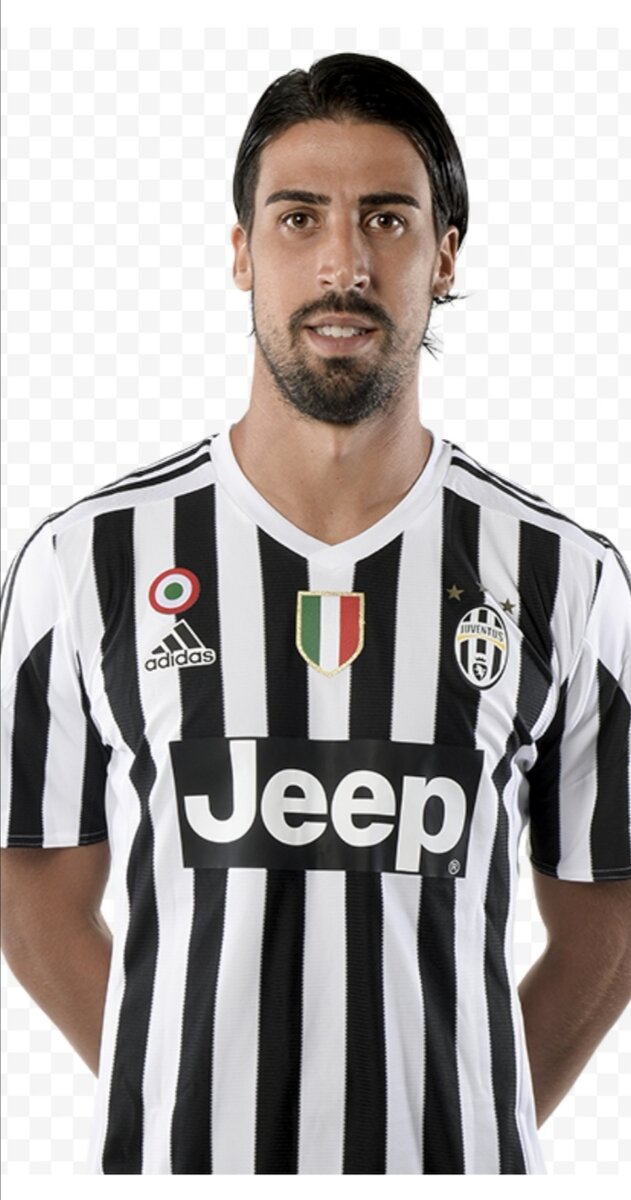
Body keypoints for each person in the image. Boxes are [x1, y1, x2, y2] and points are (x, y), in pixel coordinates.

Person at [1, 51, 630, 1177]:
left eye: (386, 219)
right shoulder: (85, 559)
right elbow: (30, 876)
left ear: (444, 255)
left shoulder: (563, 576)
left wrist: (462, 1116)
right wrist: (179, 1090)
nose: (344, 263)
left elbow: (609, 910)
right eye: (299, 219)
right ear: (242, 251)